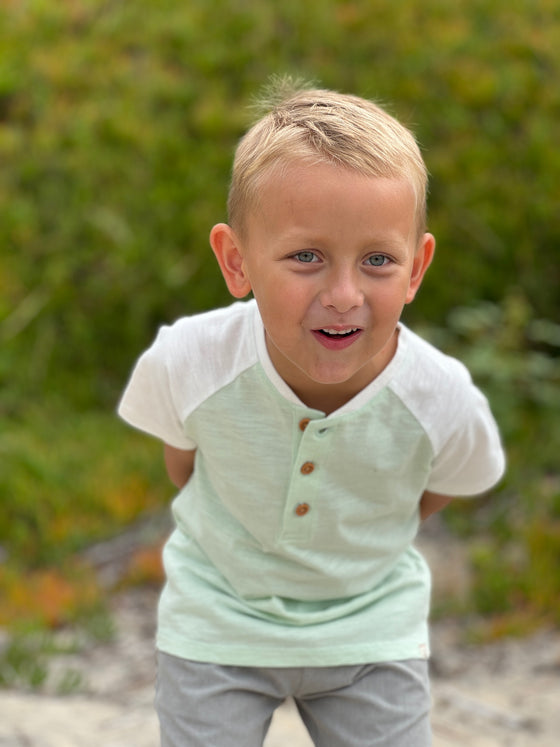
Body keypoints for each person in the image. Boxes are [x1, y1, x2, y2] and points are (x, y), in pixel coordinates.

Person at [118, 81, 505, 747]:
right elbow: (183, 462)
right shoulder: (192, 361)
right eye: (307, 256)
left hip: (370, 626)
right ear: (236, 261)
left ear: (417, 269)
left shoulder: (439, 395)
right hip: (221, 616)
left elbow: (438, 487)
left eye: (378, 259)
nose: (344, 294)